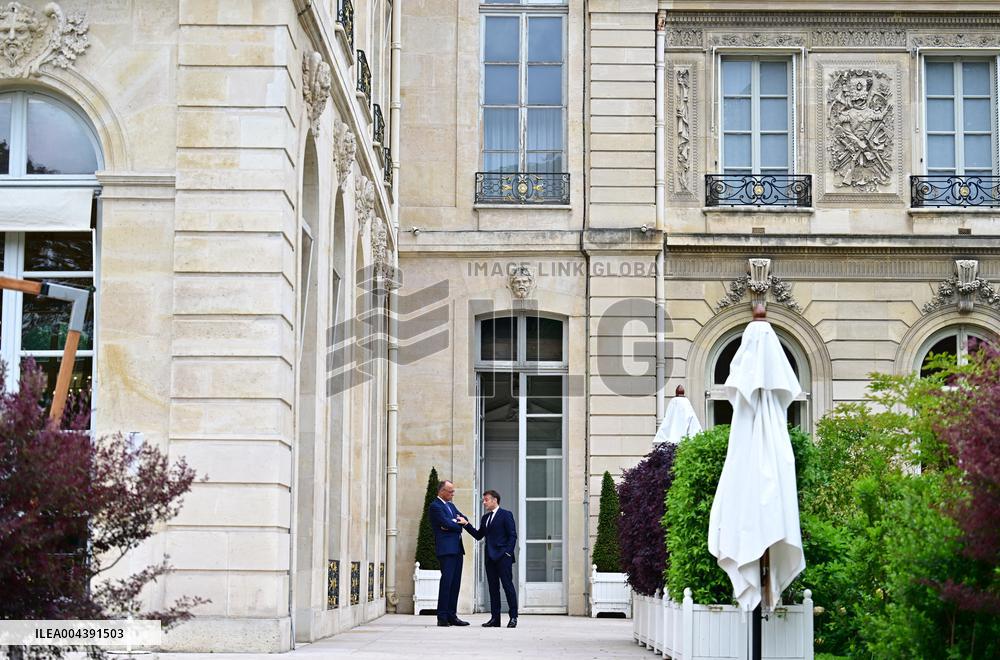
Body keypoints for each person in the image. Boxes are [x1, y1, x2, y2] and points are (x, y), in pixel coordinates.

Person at [463, 489, 519, 628]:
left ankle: (513, 617)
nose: (484, 502)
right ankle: (495, 619)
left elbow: (512, 536)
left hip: (503, 558)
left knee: (508, 587)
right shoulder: (485, 518)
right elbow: (478, 535)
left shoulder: (506, 515)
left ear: (495, 500)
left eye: (486, 500)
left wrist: (508, 553)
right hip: (490, 558)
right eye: (483, 500)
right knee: (493, 589)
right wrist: (466, 524)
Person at [427, 479, 470, 627]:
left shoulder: (451, 505)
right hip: (446, 550)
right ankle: (442, 617)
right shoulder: (435, 506)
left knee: (455, 584)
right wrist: (456, 524)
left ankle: (452, 615)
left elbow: (465, 519)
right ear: (442, 491)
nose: (453, 493)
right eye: (450, 491)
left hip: (457, 549)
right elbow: (446, 524)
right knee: (447, 583)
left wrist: (455, 523)